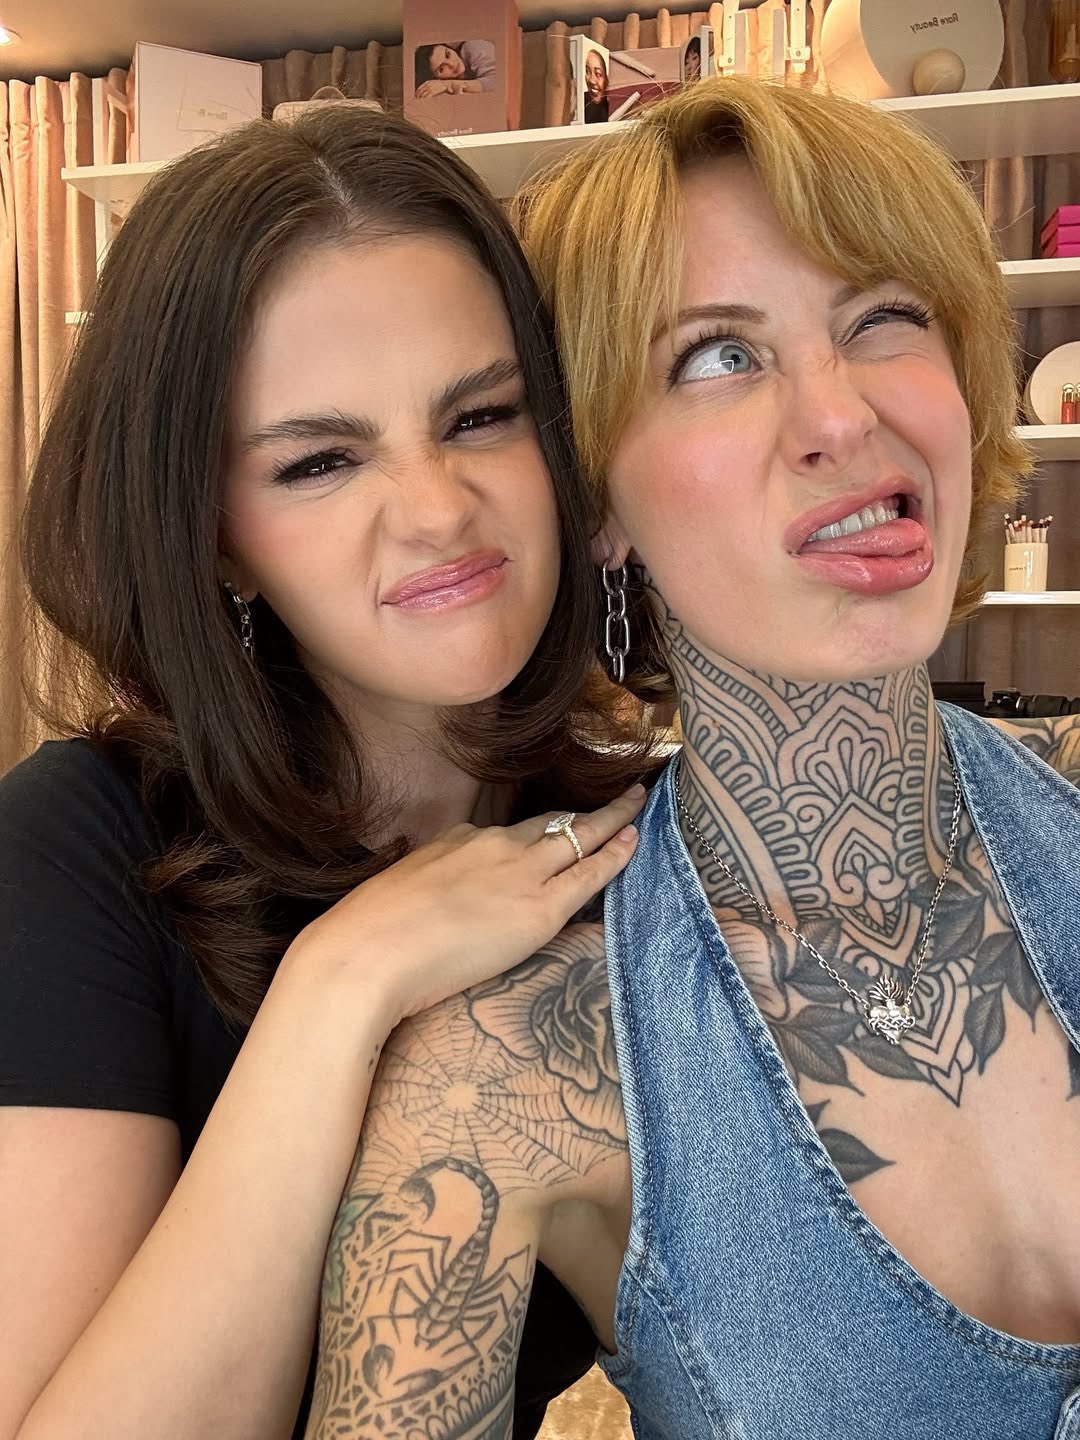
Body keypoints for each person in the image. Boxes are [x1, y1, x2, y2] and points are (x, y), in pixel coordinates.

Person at [306, 77, 1080, 1440]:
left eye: (883, 318)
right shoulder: (514, 1070)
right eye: (718, 355)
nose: (842, 415)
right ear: (598, 500)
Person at [0, 104, 654, 1440]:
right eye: (319, 461)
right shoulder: (70, 854)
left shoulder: (630, 850)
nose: (438, 509)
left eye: (481, 415)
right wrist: (342, 984)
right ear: (214, 535)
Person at [415, 40, 496, 99]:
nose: (452, 64)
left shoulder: (473, 47)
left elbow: (496, 82)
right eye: (441, 69)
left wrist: (447, 84)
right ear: (435, 79)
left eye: (448, 54)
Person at [583, 48, 609, 123]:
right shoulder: (581, 103)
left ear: (606, 80)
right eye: (587, 71)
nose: (592, 80)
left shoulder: (611, 106)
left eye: (598, 74)